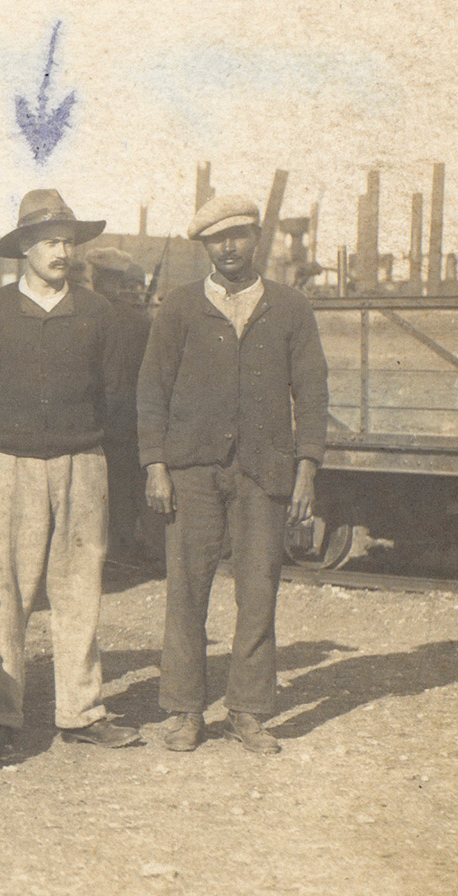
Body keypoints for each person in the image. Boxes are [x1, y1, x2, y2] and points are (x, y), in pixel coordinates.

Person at [0, 188, 139, 754]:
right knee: (4, 590)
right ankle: (4, 715)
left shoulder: (99, 314)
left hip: (82, 466)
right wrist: (8, 438)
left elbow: (115, 396)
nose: (63, 251)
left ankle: (80, 711)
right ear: (25, 247)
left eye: (68, 241)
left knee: (80, 588)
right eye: (51, 241)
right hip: (9, 466)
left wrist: (82, 440)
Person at [139, 196, 328, 755]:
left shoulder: (290, 307)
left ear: (256, 238)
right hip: (193, 471)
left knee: (259, 592)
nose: (229, 248)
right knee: (186, 593)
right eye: (217, 239)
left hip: (262, 473)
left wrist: (307, 468)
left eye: (240, 236)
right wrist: (156, 465)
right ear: (205, 247)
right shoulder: (179, 307)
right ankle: (185, 711)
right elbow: (151, 391)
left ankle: (248, 712)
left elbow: (313, 393)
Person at [85, 247, 160, 566]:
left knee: (111, 488)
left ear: (97, 278)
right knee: (135, 481)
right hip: (137, 415)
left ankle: (118, 551)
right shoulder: (140, 318)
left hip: (103, 416)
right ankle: (146, 548)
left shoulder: (90, 314)